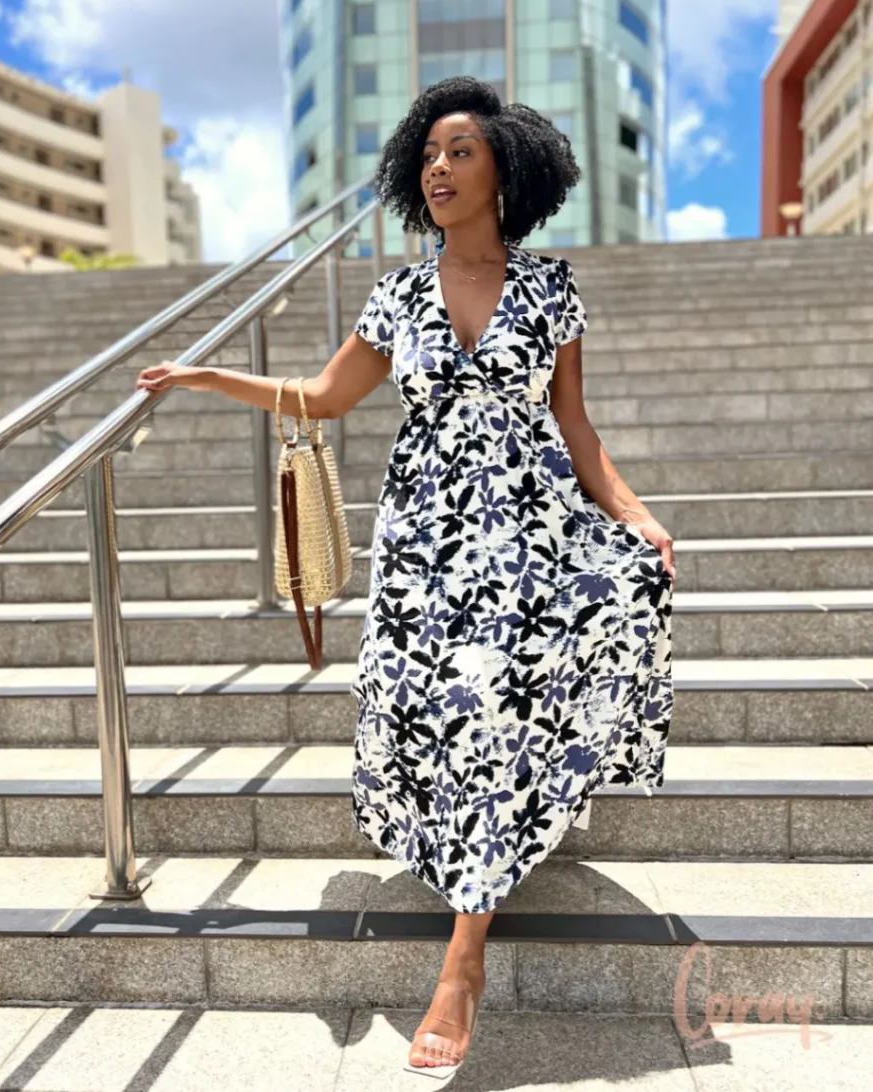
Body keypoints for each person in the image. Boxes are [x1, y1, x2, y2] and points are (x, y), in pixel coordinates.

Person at [137, 75, 675, 1084]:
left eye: (459, 150)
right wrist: (208, 376)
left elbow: (577, 429)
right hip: (427, 544)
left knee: (508, 696)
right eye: (426, 153)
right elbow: (327, 395)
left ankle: (461, 960)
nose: (437, 165)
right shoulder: (395, 293)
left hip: (530, 533)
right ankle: (484, 853)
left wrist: (634, 517)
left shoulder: (552, 287)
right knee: (442, 715)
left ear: (505, 169)